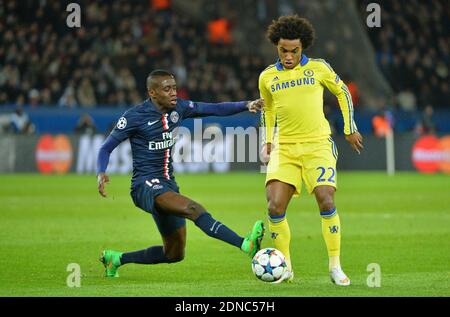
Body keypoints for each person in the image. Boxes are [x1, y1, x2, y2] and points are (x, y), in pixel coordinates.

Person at [96, 70, 265, 277]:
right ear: (153, 93)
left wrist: (246, 105)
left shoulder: (180, 108)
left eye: (174, 88)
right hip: (144, 186)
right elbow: (105, 148)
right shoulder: (134, 116)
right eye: (167, 89)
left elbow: (214, 108)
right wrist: (101, 172)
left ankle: (116, 259)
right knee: (193, 208)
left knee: (174, 254)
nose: (174, 93)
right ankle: (245, 244)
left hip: (168, 184)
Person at [259, 15, 364, 285]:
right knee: (274, 206)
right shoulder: (267, 77)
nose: (289, 55)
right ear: (276, 46)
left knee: (326, 200)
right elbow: (268, 109)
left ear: (303, 47)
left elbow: (342, 92)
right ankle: (285, 268)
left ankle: (335, 266)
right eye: (283, 50)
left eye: (294, 50)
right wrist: (267, 140)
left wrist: (349, 127)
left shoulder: (318, 68)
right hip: (285, 148)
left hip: (317, 144)